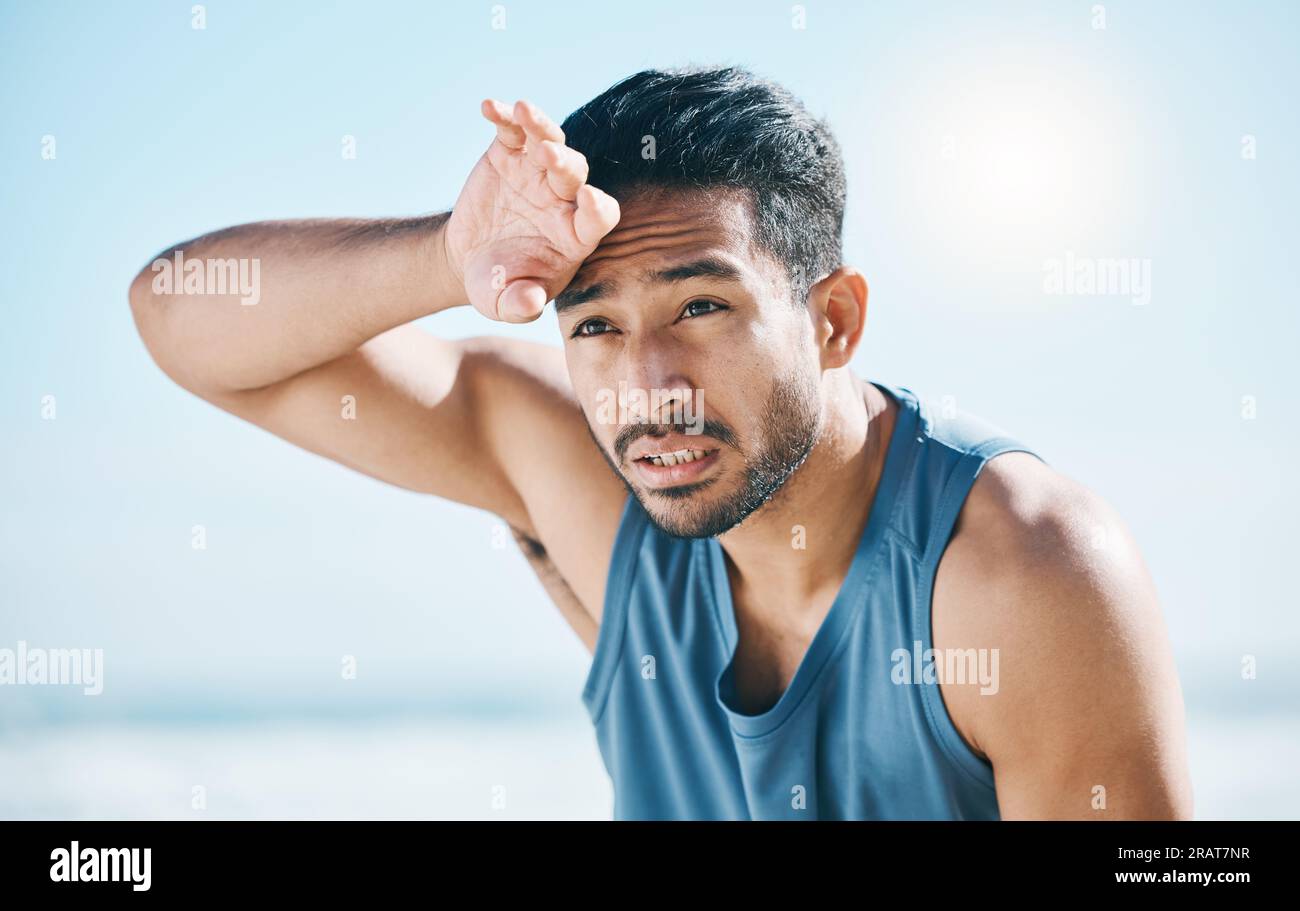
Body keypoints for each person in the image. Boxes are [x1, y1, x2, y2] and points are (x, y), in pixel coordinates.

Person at [128, 65, 1193, 820]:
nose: (647, 388)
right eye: (593, 322)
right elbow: (183, 319)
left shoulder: (1021, 575)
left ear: (833, 321)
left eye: (699, 309)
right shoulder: (592, 488)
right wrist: (451, 257)